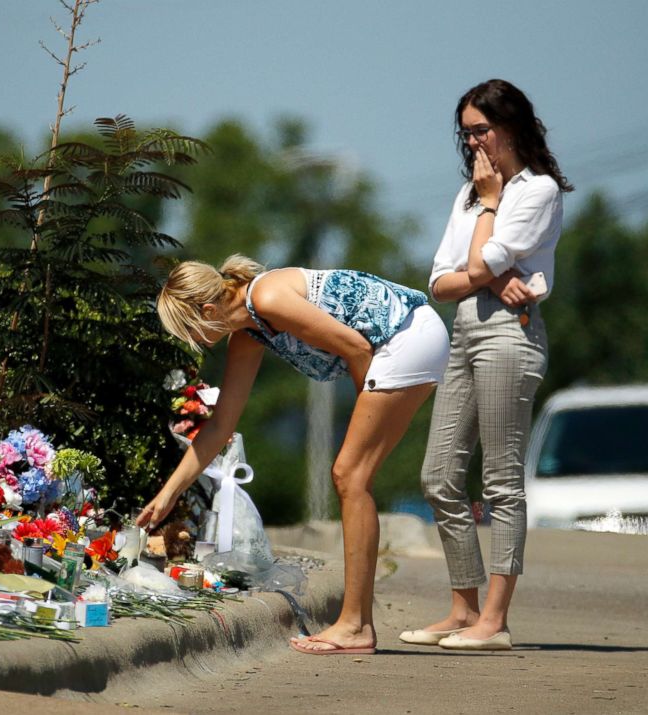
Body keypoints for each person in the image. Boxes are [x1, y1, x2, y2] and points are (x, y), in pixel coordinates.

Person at [137, 256, 450, 654]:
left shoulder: (267, 298)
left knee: (349, 476)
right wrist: (168, 495)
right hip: (399, 339)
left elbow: (356, 347)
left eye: (190, 329)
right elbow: (219, 427)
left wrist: (365, 411)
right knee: (351, 476)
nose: (193, 341)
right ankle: (358, 625)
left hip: (405, 335)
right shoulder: (248, 334)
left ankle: (355, 626)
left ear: (209, 310)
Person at [400, 79, 572, 651]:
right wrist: (491, 272)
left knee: (500, 480)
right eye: (466, 133)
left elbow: (477, 261)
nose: (474, 144)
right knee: (439, 475)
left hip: (509, 336)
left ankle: (494, 621)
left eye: (482, 130)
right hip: (466, 331)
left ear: (512, 126)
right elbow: (441, 281)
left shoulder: (537, 191)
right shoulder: (467, 195)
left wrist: (492, 209)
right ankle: (462, 607)